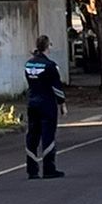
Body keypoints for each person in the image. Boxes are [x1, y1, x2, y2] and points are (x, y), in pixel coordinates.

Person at [24, 34, 66, 179]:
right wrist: (62, 104)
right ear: (48, 46)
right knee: (48, 135)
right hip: (47, 103)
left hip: (32, 102)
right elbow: (57, 87)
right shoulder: (50, 66)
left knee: (32, 136)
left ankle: (32, 170)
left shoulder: (28, 64)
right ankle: (49, 169)